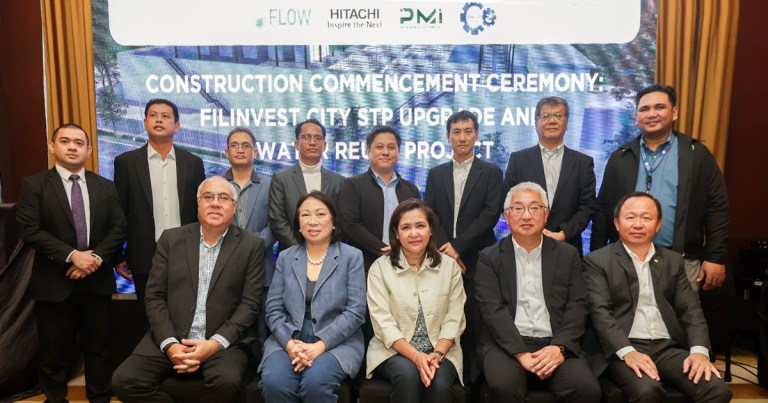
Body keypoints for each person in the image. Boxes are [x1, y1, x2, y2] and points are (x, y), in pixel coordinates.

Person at [112, 176, 266, 403]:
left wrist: (214, 344)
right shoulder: (171, 239)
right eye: (208, 197)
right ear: (198, 203)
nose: (215, 203)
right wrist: (170, 344)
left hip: (222, 340)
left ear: (234, 206)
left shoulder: (251, 245)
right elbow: (154, 296)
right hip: (172, 334)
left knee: (227, 382)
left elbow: (250, 304)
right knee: (124, 381)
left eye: (224, 198)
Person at [583, 192, 731, 403]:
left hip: (667, 348)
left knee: (718, 389)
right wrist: (628, 352)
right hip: (623, 347)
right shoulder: (597, 261)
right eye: (630, 217)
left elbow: (691, 310)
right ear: (617, 223)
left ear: (658, 225)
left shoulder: (673, 261)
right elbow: (600, 313)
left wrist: (699, 351)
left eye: (646, 218)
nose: (638, 224)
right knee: (648, 391)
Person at [16, 124, 127, 403]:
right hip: (54, 281)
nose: (73, 147)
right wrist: (72, 255)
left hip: (97, 281)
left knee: (99, 349)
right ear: (52, 146)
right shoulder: (35, 185)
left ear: (89, 150)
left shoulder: (105, 186)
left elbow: (119, 228)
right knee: (53, 352)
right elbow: (30, 230)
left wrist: (94, 258)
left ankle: (100, 398)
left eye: (79, 142)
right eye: (65, 141)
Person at [590, 84, 729, 292]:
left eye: (659, 107)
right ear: (636, 117)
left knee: (680, 313)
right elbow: (602, 209)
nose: (651, 114)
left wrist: (715, 256)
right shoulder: (620, 157)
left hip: (681, 261)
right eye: (644, 109)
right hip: (625, 262)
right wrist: (596, 257)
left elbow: (717, 207)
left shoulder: (696, 154)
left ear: (674, 112)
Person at [475, 182, 601, 402]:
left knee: (586, 389)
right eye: (518, 208)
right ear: (506, 216)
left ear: (546, 214)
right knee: (504, 386)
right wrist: (521, 353)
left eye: (535, 208)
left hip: (555, 341)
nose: (526, 215)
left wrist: (559, 348)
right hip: (506, 345)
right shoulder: (489, 257)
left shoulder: (567, 254)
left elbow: (578, 305)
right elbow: (492, 311)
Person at [259, 191, 366, 403]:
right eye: (305, 215)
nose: (313, 221)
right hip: (288, 337)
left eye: (320, 214)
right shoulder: (286, 257)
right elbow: (273, 310)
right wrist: (290, 345)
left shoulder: (351, 256)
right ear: (298, 224)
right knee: (275, 383)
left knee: (315, 384)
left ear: (333, 222)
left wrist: (320, 346)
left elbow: (356, 311)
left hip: (337, 339)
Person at [424, 110, 504, 382]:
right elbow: (430, 214)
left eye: (468, 131)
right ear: (448, 136)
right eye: (456, 132)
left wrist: (458, 248)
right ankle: (446, 377)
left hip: (479, 259)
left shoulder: (491, 172)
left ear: (476, 135)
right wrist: (447, 249)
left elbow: (490, 214)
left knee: (475, 323)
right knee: (443, 321)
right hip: (441, 258)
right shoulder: (436, 173)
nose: (462, 137)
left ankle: (474, 382)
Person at [366, 199, 467, 402]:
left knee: (438, 383)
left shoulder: (449, 267)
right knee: (408, 376)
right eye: (406, 227)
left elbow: (454, 318)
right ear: (396, 233)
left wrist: (437, 354)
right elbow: (383, 323)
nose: (414, 233)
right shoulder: (380, 268)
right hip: (392, 351)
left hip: (441, 350)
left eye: (420, 226)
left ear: (431, 230)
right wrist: (416, 356)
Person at [113, 98, 206, 309]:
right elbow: (118, 213)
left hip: (185, 253)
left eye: (165, 116)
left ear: (177, 126)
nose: (158, 120)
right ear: (145, 123)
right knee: (147, 315)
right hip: (143, 255)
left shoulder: (193, 163)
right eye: (153, 115)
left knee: (184, 313)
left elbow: (200, 211)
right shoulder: (126, 163)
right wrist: (117, 255)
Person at [503, 96, 596, 254]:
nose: (552, 121)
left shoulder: (583, 162)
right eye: (545, 116)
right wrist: (529, 230)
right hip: (524, 246)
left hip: (568, 248)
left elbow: (587, 206)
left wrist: (564, 233)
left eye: (558, 116)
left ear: (566, 123)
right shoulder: (518, 160)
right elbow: (507, 202)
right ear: (536, 124)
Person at [222, 127, 276, 349]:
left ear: (255, 151)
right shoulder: (216, 185)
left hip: (262, 267)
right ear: (227, 152)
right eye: (234, 145)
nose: (240, 149)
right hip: (225, 267)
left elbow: (275, 225)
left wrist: (250, 247)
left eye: (246, 145)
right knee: (228, 328)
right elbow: (210, 223)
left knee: (263, 328)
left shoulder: (271, 184)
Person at [338, 125, 421, 270]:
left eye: (391, 147)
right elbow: (350, 225)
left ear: (398, 151)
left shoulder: (411, 189)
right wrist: (385, 250)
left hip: (407, 264)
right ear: (368, 151)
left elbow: (419, 225)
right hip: (366, 265)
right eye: (379, 147)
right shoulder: (352, 185)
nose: (385, 152)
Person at [269, 119, 345, 253]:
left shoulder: (339, 181)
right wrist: (303, 249)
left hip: (330, 254)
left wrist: (325, 248)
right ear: (296, 144)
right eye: (306, 137)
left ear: (324, 145)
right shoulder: (281, 179)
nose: (312, 142)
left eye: (318, 138)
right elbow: (277, 221)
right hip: (292, 254)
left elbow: (342, 221)